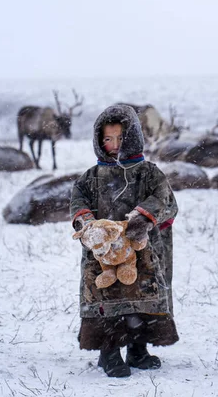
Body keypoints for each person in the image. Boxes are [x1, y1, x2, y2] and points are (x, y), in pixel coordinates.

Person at [70, 104, 179, 378]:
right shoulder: (91, 178)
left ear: (132, 138)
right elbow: (78, 200)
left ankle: (137, 350)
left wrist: (142, 219)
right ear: (98, 140)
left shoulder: (149, 173)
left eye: (121, 138)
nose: (114, 145)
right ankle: (109, 353)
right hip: (104, 255)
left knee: (141, 296)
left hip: (143, 252)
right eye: (108, 139)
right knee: (108, 298)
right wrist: (86, 224)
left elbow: (165, 200)